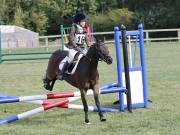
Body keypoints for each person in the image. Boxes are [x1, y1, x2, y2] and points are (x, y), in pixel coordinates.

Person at [57, 13, 90, 80]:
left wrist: (89, 45)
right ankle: (61, 73)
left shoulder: (84, 28)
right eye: (82, 21)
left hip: (82, 47)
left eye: (84, 21)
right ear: (78, 22)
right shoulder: (74, 27)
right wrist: (76, 46)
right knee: (71, 58)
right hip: (73, 47)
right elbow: (71, 38)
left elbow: (86, 37)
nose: (84, 23)